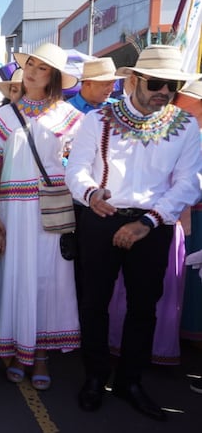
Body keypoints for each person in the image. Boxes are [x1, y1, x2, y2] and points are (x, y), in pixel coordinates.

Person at [67, 45, 202, 421]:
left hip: (152, 225)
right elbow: (76, 169)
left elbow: (190, 182)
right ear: (134, 80)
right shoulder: (97, 120)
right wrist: (91, 193)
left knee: (144, 307)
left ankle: (130, 381)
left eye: (172, 86)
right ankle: (95, 377)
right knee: (94, 302)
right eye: (157, 83)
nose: (164, 92)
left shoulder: (186, 125)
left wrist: (148, 222)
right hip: (100, 216)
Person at [0, 42, 84, 391]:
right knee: (13, 276)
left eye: (42, 68)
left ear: (54, 77)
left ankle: (41, 354)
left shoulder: (72, 117)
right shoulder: (0, 118)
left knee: (46, 279)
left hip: (52, 210)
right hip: (12, 208)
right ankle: (13, 348)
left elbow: (81, 166)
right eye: (30, 64)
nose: (32, 71)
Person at [173, 79, 202, 394]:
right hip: (182, 213)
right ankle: (184, 332)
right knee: (184, 276)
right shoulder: (182, 131)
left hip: (194, 213)